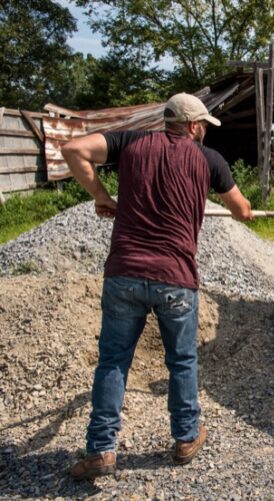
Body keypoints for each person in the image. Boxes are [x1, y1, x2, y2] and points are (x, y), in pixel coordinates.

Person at [62, 93, 253, 480]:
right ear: (195, 126)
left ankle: (101, 449)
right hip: (175, 278)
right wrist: (232, 202)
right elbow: (243, 210)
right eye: (203, 128)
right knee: (181, 360)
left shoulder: (131, 143)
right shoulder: (208, 160)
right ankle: (185, 438)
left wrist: (102, 196)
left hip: (124, 273)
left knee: (114, 361)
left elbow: (73, 149)